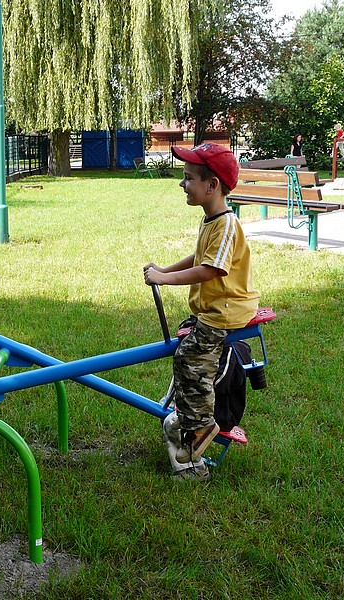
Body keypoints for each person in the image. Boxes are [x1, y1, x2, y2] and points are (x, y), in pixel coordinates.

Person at [144, 143, 259, 482]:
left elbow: (211, 269)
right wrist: (165, 270)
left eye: (189, 178)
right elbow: (199, 258)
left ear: (212, 185)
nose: (182, 184)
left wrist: (165, 279)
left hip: (225, 311)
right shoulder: (211, 221)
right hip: (213, 309)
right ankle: (189, 422)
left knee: (189, 359)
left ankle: (202, 427)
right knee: (188, 356)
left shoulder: (227, 225)